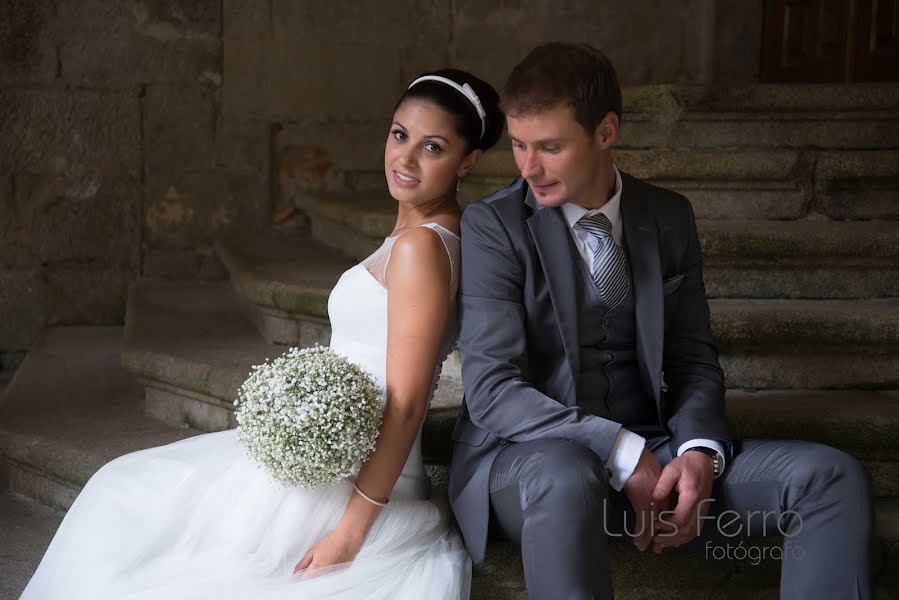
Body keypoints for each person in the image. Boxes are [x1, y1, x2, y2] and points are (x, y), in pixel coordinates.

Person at [21, 68, 504, 600]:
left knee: (125, 504)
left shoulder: (421, 250)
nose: (405, 159)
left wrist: (349, 531)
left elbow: (408, 403)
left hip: (356, 478)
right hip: (337, 451)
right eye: (399, 134)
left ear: (468, 160)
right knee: (127, 493)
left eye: (432, 147)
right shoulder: (430, 234)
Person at [449, 42, 874, 600]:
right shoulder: (495, 226)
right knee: (566, 474)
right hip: (530, 469)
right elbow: (493, 389)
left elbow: (694, 361)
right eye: (520, 145)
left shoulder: (668, 217)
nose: (528, 168)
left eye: (550, 147)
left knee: (830, 478)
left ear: (605, 132)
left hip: (659, 452)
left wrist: (698, 451)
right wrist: (619, 451)